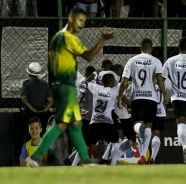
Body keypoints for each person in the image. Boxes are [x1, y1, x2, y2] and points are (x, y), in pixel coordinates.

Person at [25, 7, 117, 167]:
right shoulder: (69, 38)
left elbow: (52, 63)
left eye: (84, 22)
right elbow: (88, 56)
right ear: (71, 19)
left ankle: (86, 161)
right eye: (80, 21)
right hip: (66, 86)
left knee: (75, 124)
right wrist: (103, 39)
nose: (82, 25)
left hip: (62, 85)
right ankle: (34, 157)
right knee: (61, 125)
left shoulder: (57, 38)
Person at [118, 38, 169, 165]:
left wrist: (119, 97)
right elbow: (159, 79)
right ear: (151, 48)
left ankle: (138, 129)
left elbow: (124, 81)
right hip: (151, 99)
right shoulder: (156, 61)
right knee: (149, 127)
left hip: (137, 98)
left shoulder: (132, 60)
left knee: (138, 124)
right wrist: (164, 94)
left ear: (140, 48)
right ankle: (142, 156)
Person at [86, 73, 120, 165]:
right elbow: (124, 84)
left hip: (95, 121)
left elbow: (87, 82)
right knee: (116, 142)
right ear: (111, 82)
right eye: (113, 81)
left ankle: (75, 165)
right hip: (107, 121)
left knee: (87, 145)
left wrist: (94, 73)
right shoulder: (114, 90)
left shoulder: (96, 87)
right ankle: (113, 164)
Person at [21, 62, 53, 137]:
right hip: (43, 113)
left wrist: (33, 110)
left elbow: (23, 99)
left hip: (30, 113)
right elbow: (50, 101)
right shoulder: (45, 84)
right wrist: (44, 110)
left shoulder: (27, 84)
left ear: (29, 73)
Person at [148, 78, 172, 164]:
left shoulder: (148, 77)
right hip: (159, 110)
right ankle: (153, 157)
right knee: (156, 134)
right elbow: (171, 89)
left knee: (145, 133)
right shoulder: (164, 80)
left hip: (147, 109)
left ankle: (142, 155)